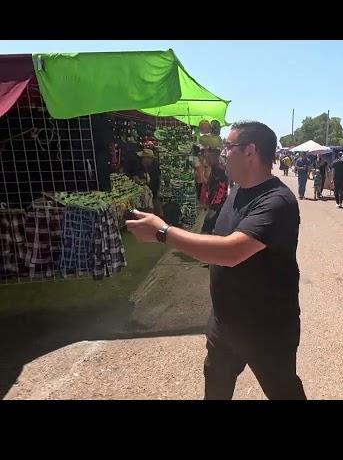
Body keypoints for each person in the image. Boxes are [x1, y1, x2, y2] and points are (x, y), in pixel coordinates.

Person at [126, 121, 306, 400]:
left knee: (284, 393)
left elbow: (231, 251)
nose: (222, 153)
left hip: (267, 329)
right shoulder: (237, 191)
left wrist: (163, 232)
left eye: (228, 147)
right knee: (216, 391)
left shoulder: (277, 201)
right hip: (225, 324)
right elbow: (217, 241)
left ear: (250, 151)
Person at [200, 148, 229, 234]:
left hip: (218, 206)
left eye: (208, 157)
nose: (206, 159)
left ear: (215, 157)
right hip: (214, 205)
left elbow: (221, 190)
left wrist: (214, 208)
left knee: (206, 229)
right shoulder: (214, 169)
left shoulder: (220, 170)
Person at [135, 148, 162, 216]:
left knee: (155, 205)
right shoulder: (145, 165)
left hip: (153, 190)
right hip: (150, 190)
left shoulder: (154, 167)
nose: (142, 160)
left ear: (148, 158)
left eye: (143, 158)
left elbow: (156, 179)